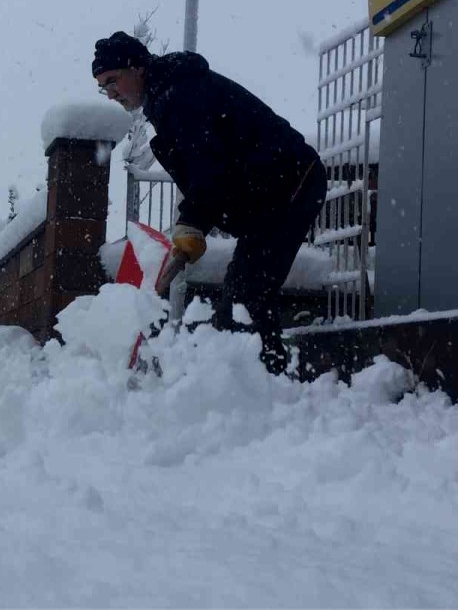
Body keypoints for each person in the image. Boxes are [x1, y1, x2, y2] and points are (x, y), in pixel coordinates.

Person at [92, 31, 327, 376]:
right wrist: (195, 222)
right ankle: (255, 382)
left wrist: (192, 220)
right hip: (267, 196)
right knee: (240, 297)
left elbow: (208, 164)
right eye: (103, 87)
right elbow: (211, 170)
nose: (110, 94)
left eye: (113, 81)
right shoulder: (167, 94)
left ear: (137, 67)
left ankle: (268, 385)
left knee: (249, 294)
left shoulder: (179, 94)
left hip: (291, 182)